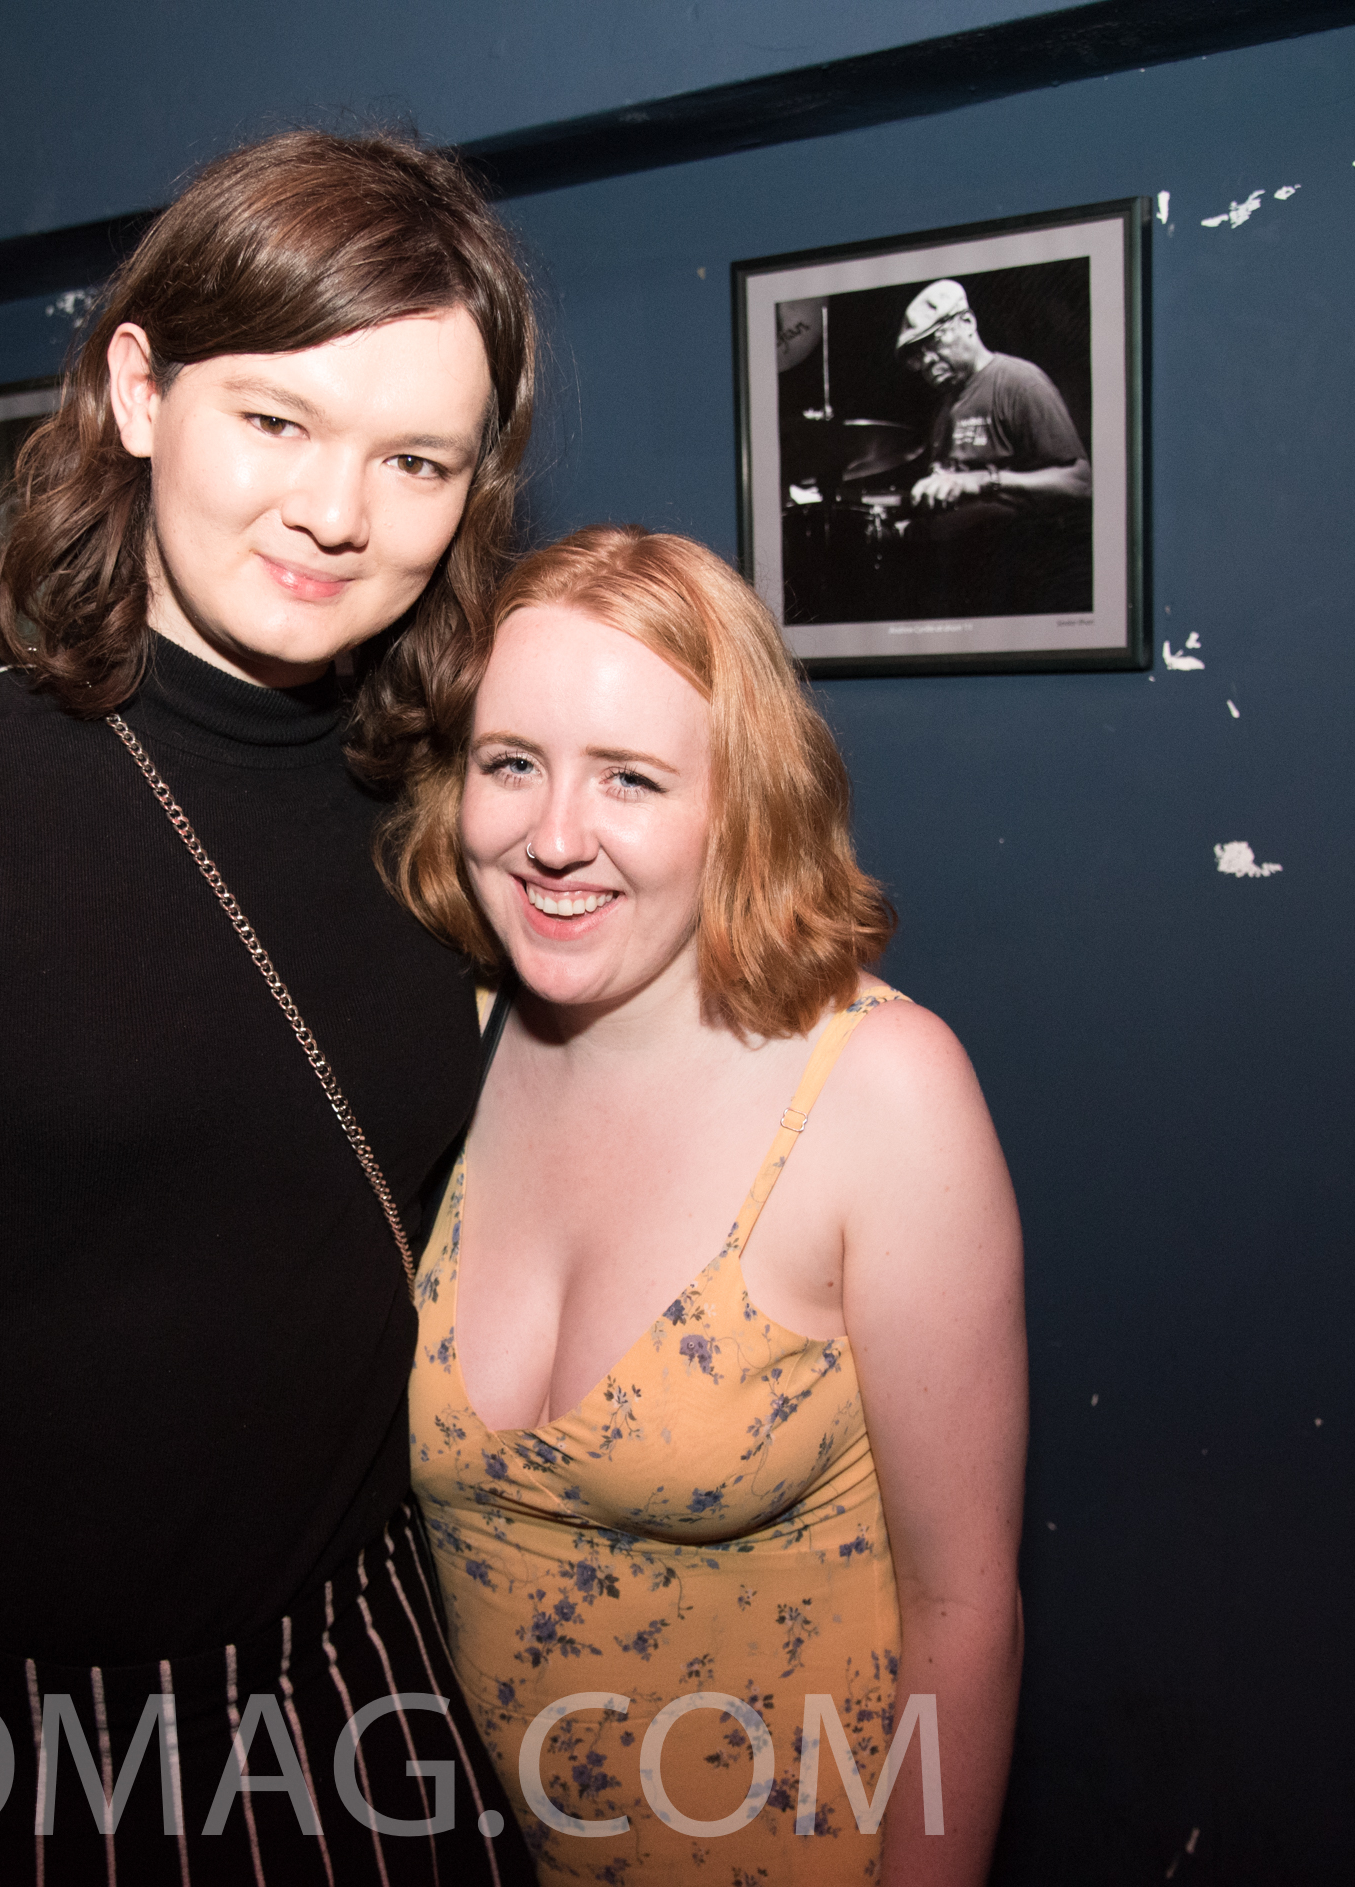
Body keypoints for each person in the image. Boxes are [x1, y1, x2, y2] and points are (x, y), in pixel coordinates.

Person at [0, 129, 540, 1887]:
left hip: (369, 1690)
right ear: (138, 390)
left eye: (414, 459)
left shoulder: (449, 809)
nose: (338, 510)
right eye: (275, 419)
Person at [377, 527, 1026, 1882]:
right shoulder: (440, 1043)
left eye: (630, 776)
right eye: (513, 764)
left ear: (743, 801)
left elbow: (962, 1612)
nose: (556, 837)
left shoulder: (880, 1091)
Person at [897, 278, 1092, 615]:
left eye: (932, 342)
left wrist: (985, 481)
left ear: (967, 323)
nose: (925, 361)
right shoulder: (946, 407)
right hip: (962, 577)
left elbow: (1081, 482)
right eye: (916, 355)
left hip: (1018, 578)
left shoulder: (1019, 383)